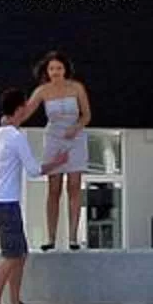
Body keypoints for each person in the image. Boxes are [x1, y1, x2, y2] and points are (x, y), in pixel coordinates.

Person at [0, 84, 67, 304]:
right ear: (20, 109)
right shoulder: (16, 136)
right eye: (26, 107)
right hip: (6, 202)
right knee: (11, 255)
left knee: (19, 253)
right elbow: (33, 170)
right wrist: (57, 162)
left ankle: (15, 302)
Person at [27, 50, 95, 250]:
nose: (55, 72)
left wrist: (76, 127)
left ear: (65, 70)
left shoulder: (77, 88)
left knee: (74, 186)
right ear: (46, 71)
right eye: (51, 69)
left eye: (59, 68)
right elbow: (28, 110)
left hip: (75, 135)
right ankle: (51, 238)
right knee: (53, 188)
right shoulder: (42, 91)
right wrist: (12, 120)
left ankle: (73, 237)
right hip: (54, 137)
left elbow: (87, 115)